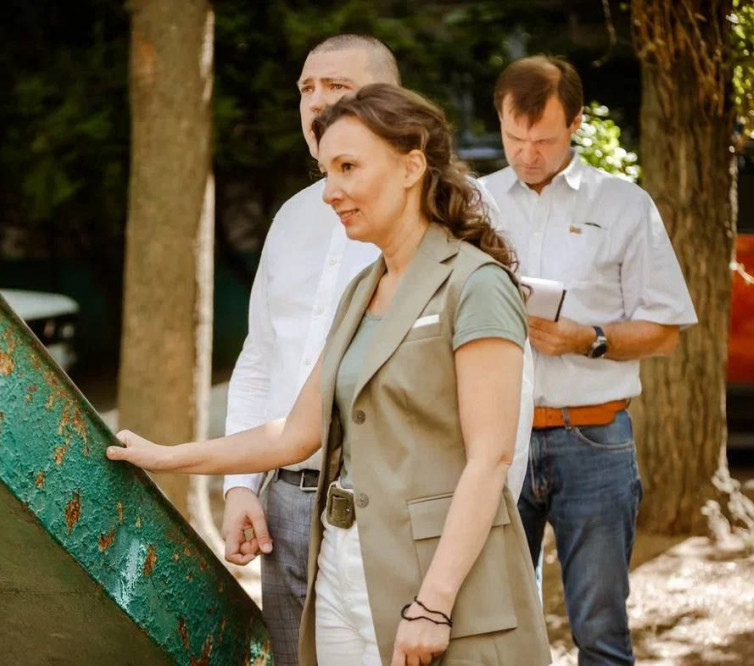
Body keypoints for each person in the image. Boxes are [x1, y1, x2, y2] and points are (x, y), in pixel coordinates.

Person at [109, 84, 551, 666]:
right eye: (325, 172)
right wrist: (169, 457)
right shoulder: (362, 291)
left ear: (411, 166)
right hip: (340, 568)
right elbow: (295, 434)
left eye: (347, 168)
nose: (330, 192)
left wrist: (433, 605)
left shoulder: (477, 284)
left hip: (432, 578)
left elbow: (490, 458)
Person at [221, 34, 533, 665]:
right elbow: (260, 360)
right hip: (285, 508)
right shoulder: (290, 219)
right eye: (306, 88)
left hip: (404, 518)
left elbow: (508, 407)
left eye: (337, 86)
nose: (316, 102)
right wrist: (239, 487)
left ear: (387, 100)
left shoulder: (458, 221)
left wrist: (471, 544)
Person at [480, 56, 697, 666]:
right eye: (514, 138)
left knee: (600, 634)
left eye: (544, 140)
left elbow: (666, 332)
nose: (527, 155)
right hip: (495, 441)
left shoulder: (625, 204)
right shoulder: (473, 202)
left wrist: (588, 339)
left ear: (576, 123)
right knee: (495, 633)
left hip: (596, 440)